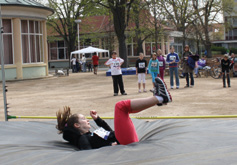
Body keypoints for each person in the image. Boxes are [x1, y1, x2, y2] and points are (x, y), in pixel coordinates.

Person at [56, 77, 172, 150]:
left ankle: (160, 99)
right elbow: (88, 153)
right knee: (120, 107)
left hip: (124, 138)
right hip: (123, 142)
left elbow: (108, 131)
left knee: (124, 111)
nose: (87, 120)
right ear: (77, 125)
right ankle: (159, 98)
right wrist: (108, 148)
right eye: (84, 119)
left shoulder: (91, 134)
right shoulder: (83, 139)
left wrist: (97, 119)